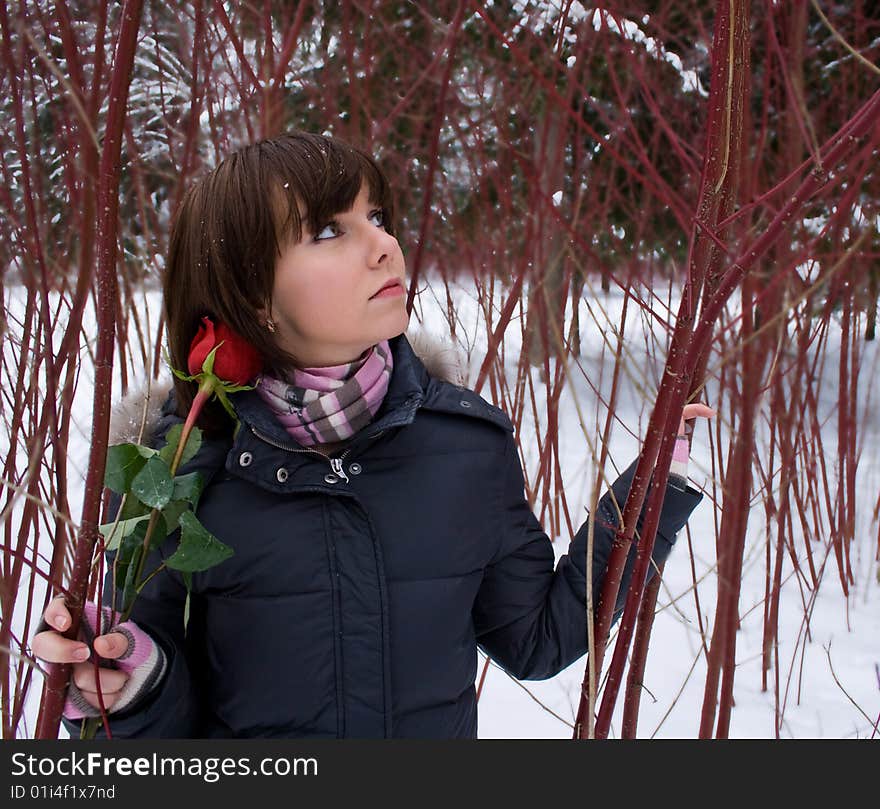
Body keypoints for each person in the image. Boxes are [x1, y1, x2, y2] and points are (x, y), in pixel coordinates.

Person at [33, 131, 714, 738]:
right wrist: (132, 681)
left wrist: (650, 495)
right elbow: (169, 727)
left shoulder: (465, 445)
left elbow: (537, 637)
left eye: (377, 217)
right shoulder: (177, 472)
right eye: (330, 230)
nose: (385, 245)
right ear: (249, 293)